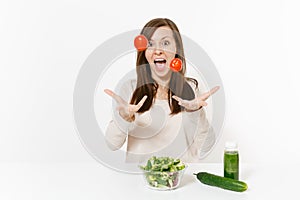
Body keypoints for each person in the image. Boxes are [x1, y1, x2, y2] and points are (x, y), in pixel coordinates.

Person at [104, 18, 219, 163]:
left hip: (180, 181)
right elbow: (111, 145)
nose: (158, 51)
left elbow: (207, 146)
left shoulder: (189, 88)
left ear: (176, 49)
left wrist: (196, 112)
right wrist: (124, 118)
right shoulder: (131, 88)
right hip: (141, 181)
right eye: (151, 44)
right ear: (144, 51)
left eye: (165, 43)